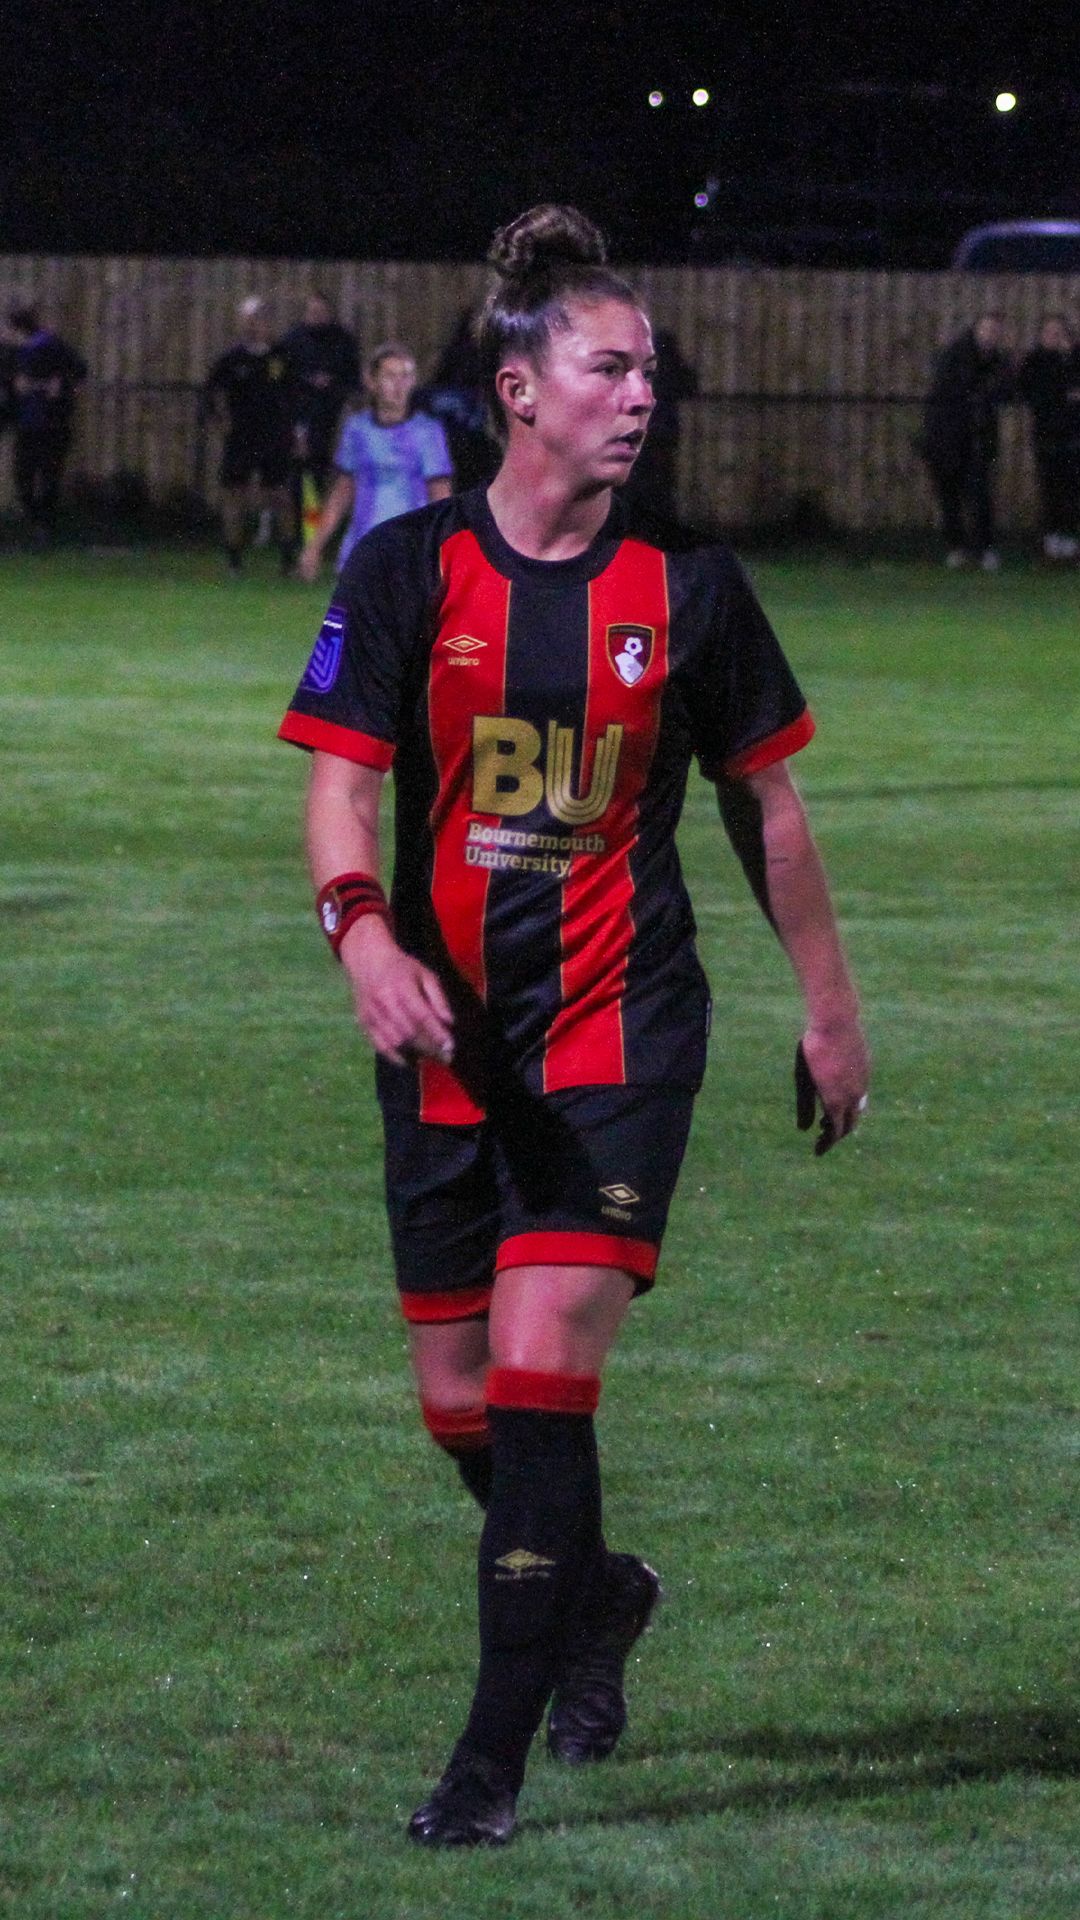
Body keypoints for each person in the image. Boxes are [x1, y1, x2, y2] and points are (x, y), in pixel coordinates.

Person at [278, 204, 869, 1847]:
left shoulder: (689, 589)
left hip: (620, 1036)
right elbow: (339, 791)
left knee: (540, 1379)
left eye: (650, 373)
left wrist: (830, 1012)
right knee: (460, 1406)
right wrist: (364, 938)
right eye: (611, 368)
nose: (640, 397)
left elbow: (772, 810)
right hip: (445, 1042)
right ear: (519, 391)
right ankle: (594, 1598)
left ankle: (486, 1765)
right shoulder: (412, 571)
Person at [296, 342, 451, 581]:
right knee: (344, 618)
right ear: (372, 381)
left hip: (410, 552)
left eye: (406, 376)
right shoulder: (357, 430)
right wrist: (316, 544)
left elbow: (440, 494)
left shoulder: (427, 432)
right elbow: (342, 492)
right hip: (362, 549)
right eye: (390, 376)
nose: (399, 385)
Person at [201, 296, 296, 576]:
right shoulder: (231, 360)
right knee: (234, 495)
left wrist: (295, 430)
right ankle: (233, 560)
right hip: (241, 438)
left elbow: (296, 395)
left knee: (280, 496)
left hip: (275, 437)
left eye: (259, 319)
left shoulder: (282, 357)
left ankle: (288, 560)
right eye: (249, 319)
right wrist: (221, 422)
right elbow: (210, 393)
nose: (254, 325)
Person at [920, 312, 1012, 571]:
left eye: (996, 331)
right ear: (976, 330)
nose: (991, 335)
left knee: (980, 494)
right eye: (987, 329)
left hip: (979, 438)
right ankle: (956, 548)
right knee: (949, 495)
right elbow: (954, 391)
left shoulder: (998, 361)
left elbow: (1004, 391)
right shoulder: (955, 355)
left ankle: (984, 549)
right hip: (946, 438)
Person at [6, 305, 87, 544]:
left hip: (53, 423)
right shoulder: (14, 353)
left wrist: (61, 386)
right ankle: (36, 521)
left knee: (49, 475)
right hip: (27, 424)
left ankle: (45, 527)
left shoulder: (52, 346)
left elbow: (80, 372)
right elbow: (11, 383)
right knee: (23, 475)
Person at [278, 290, 361, 513]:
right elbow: (282, 377)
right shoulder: (292, 339)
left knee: (320, 472)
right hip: (298, 415)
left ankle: (315, 527)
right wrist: (308, 380)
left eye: (322, 312)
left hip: (331, 416)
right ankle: (295, 527)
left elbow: (353, 377)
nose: (318, 316)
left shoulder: (342, 340)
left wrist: (333, 384)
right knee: (297, 472)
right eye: (314, 311)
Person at [1016, 314, 1080, 560]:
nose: (1055, 337)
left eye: (1059, 332)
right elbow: (1031, 392)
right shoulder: (1035, 361)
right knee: (1050, 489)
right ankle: (1051, 543)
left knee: (1072, 491)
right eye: (1050, 332)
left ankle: (1069, 541)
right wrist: (1063, 395)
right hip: (1047, 436)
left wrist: (1069, 357)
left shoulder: (1074, 357)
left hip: (1074, 435)